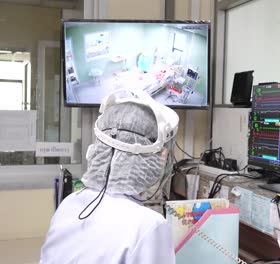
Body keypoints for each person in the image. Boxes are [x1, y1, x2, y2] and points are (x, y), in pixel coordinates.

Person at [40, 89, 179, 263]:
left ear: (97, 149)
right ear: (156, 158)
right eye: (163, 154)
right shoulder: (150, 226)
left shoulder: (68, 205)